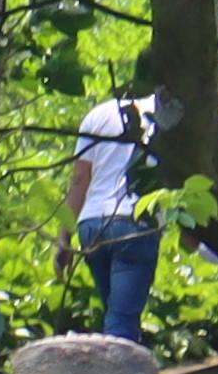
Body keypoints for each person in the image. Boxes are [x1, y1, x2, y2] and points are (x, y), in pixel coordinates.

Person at [65, 91, 164, 345]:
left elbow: (79, 180)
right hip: (134, 223)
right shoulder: (165, 115)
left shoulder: (97, 115)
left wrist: (63, 238)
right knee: (121, 322)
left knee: (116, 314)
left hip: (91, 224)